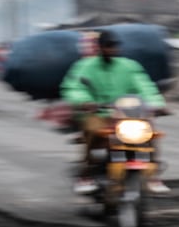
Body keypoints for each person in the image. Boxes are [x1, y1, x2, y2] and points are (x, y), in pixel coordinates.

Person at [59, 30, 170, 195]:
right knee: (92, 131)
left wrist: (156, 104)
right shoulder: (84, 66)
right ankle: (86, 174)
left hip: (126, 115)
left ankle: (152, 174)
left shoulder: (129, 66)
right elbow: (74, 87)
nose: (112, 49)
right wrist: (85, 102)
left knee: (148, 131)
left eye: (115, 46)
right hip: (98, 114)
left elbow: (145, 86)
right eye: (108, 46)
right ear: (100, 47)